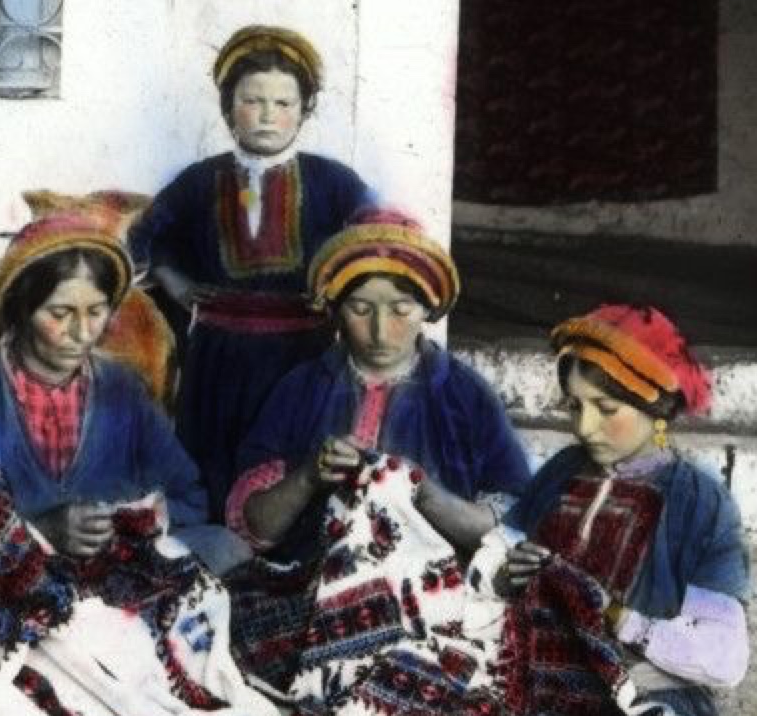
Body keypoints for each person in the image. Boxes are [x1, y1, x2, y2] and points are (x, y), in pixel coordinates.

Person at [0, 210, 283, 716]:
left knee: (227, 548)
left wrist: (131, 525)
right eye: (59, 313)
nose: (82, 333)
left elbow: (187, 493)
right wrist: (43, 529)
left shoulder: (121, 389)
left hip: (122, 579)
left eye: (96, 313)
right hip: (24, 592)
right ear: (20, 307)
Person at [501, 303, 751, 716]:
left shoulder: (698, 503)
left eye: (606, 409)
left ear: (655, 409)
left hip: (643, 701)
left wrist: (621, 618)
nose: (585, 428)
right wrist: (509, 573)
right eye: (575, 407)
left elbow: (725, 657)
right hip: (537, 688)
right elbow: (502, 554)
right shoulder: (563, 472)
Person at [129, 24, 376, 514]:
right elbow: (145, 236)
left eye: (283, 103)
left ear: (305, 110)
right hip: (217, 356)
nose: (267, 115)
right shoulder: (200, 181)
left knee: (292, 460)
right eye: (252, 101)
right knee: (213, 467)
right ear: (227, 109)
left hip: (304, 355)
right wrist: (174, 280)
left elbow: (376, 244)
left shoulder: (334, 183)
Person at [226, 207, 530, 565]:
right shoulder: (300, 389)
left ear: (428, 308)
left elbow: (509, 530)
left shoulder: (467, 396)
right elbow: (255, 527)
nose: (380, 332)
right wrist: (308, 476)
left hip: (433, 583)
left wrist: (424, 492)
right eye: (360, 309)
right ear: (336, 309)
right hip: (310, 578)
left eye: (401, 309)